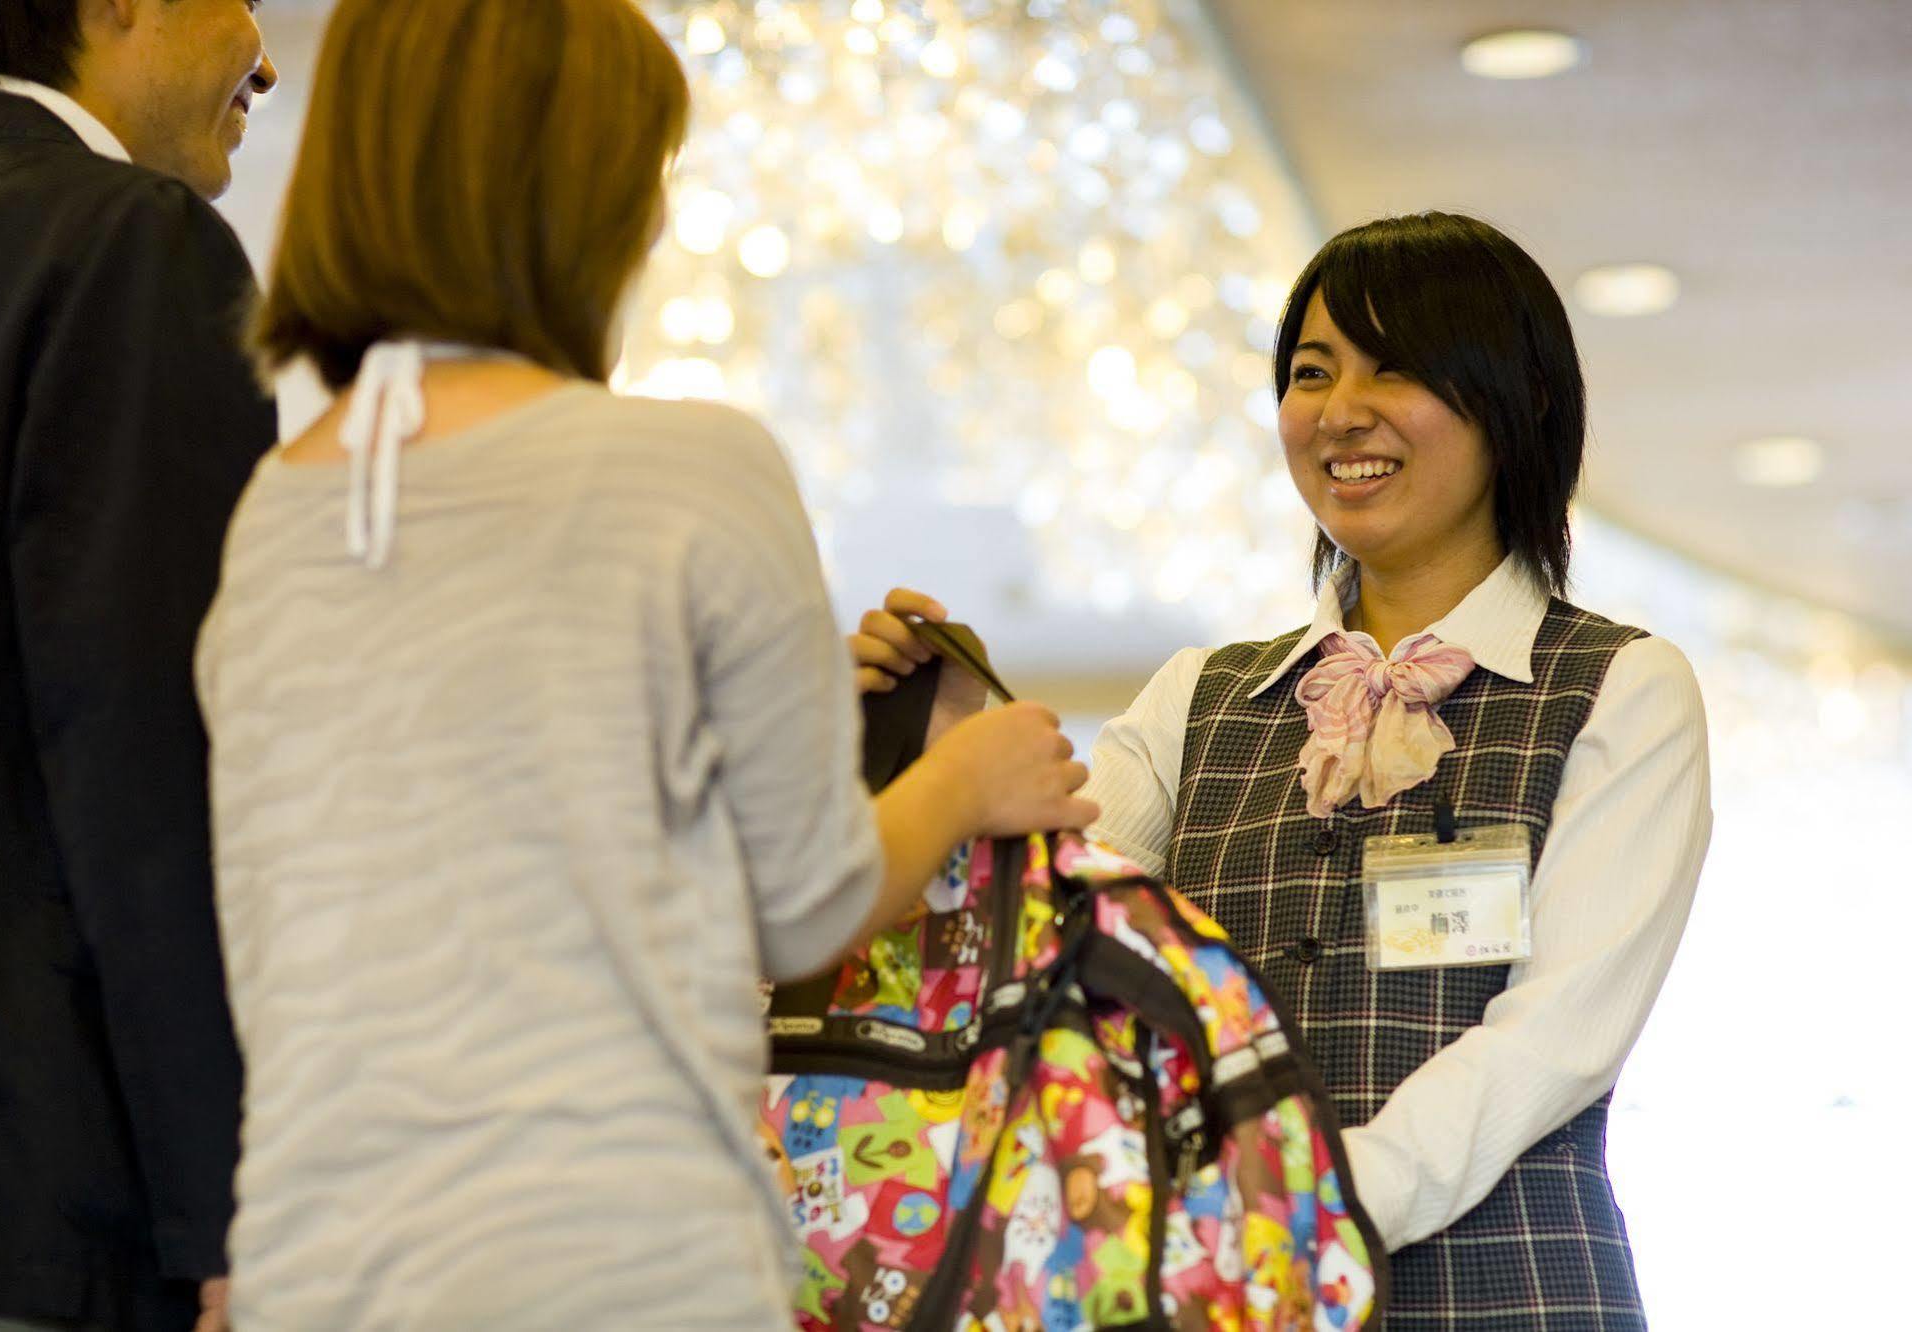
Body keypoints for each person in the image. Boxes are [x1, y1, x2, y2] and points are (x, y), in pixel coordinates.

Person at [193, 1, 1096, 1327]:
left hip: (321, 1262)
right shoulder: (693, 470)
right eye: (644, 175)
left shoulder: (281, 508)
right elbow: (804, 900)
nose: (656, 224)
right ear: (577, 192)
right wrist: (961, 779)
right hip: (614, 1251)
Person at [852, 212, 1712, 1329]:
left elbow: (1554, 1042)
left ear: (1522, 400)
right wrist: (950, 750)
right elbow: (1045, 943)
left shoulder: (1623, 688)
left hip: (1502, 1291)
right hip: (1225, 1291)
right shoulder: (1198, 696)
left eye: (1393, 367)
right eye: (1311, 373)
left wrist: (1296, 1212)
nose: (1339, 411)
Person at [0, 2, 278, 1328]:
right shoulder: (132, 243)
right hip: (33, 1194)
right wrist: (231, 1201)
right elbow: (155, 760)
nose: (268, 57)